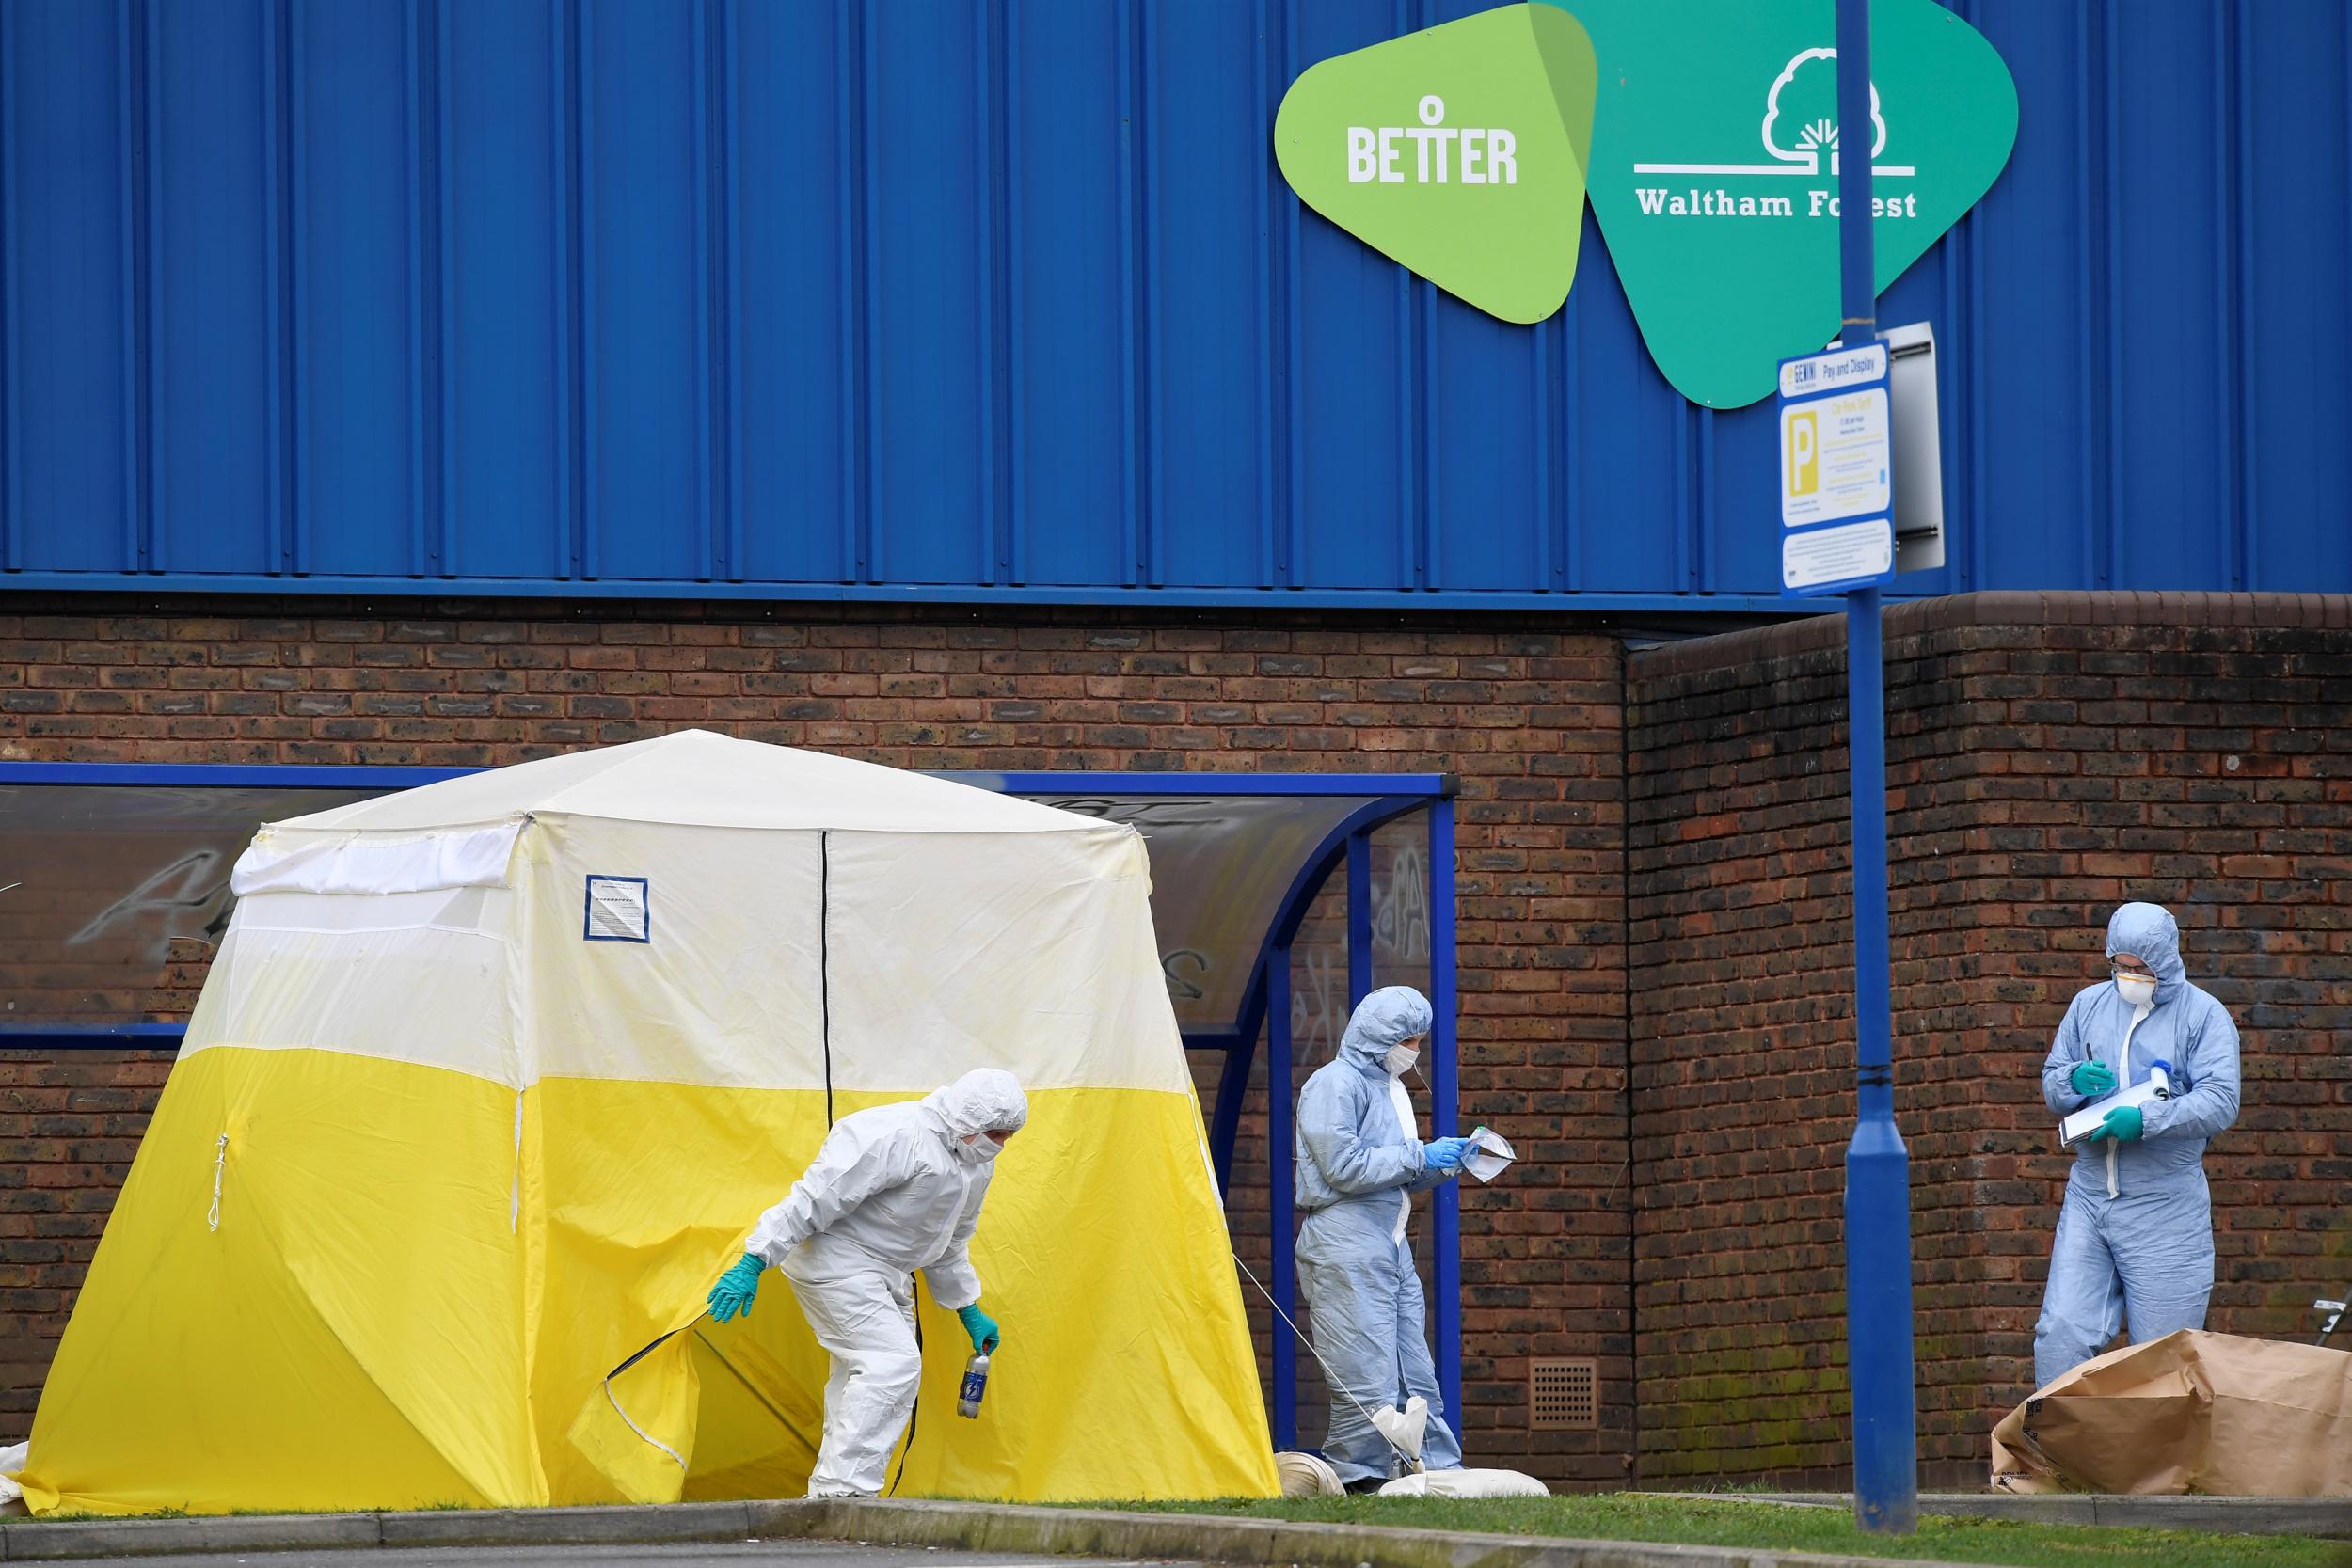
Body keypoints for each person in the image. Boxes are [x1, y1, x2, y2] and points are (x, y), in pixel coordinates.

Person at [705, 1068, 1027, 1497]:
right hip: (836, 1261)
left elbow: (951, 1240)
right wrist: (754, 1260)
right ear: (969, 1120)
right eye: (997, 1133)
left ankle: (828, 1496)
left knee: (860, 1375)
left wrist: (968, 1308)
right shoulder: (893, 1134)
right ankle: (845, 1494)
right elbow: (816, 1196)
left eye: (1007, 1136)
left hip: (886, 1273)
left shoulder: (974, 1165)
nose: (1001, 1144)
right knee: (891, 1364)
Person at [2033, 902, 2240, 1389]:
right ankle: (2057, 1460)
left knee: (2164, 1359)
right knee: (2060, 1331)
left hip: (2165, 1207)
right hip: (2089, 1196)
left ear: (2164, 962)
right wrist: (2074, 1082)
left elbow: (2221, 1100)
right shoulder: (2088, 1006)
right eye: (2119, 965)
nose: (2128, 976)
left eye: (2139, 968)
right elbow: (2052, 1082)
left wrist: (2146, 1118)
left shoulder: (2203, 1016)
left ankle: (2163, 1467)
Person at [1294, 985, 1478, 1491]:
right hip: (1345, 1243)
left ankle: (1434, 1470)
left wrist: (1450, 1161)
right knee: (1363, 1369)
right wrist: (1420, 1156)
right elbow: (1343, 1166)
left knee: (1415, 1369)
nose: (1414, 1050)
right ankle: (1361, 1477)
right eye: (1411, 1039)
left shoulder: (1388, 1088)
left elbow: (1393, 1173)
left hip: (1389, 1245)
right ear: (1382, 1036)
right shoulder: (1334, 1084)